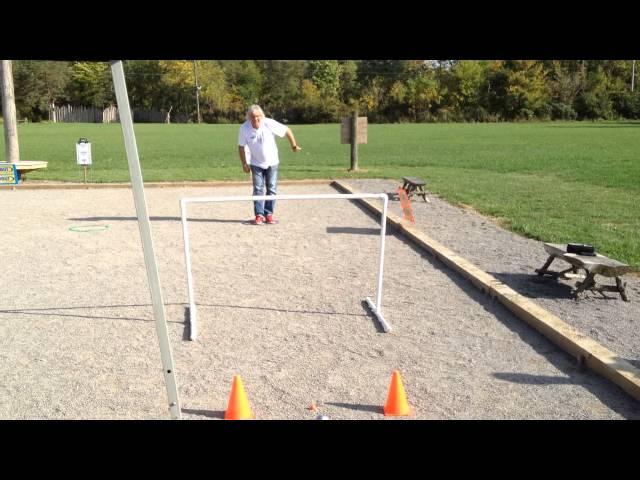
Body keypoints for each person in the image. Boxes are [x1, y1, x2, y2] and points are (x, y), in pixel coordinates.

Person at [238, 104, 301, 225]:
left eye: (258, 116)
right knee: (258, 189)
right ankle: (259, 215)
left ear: (262, 116)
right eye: (253, 117)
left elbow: (287, 130)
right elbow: (241, 147)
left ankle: (269, 214)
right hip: (256, 163)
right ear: (249, 117)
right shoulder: (244, 128)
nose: (256, 119)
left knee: (271, 188)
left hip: (272, 162)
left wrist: (293, 145)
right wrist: (244, 164)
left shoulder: (268, 123)